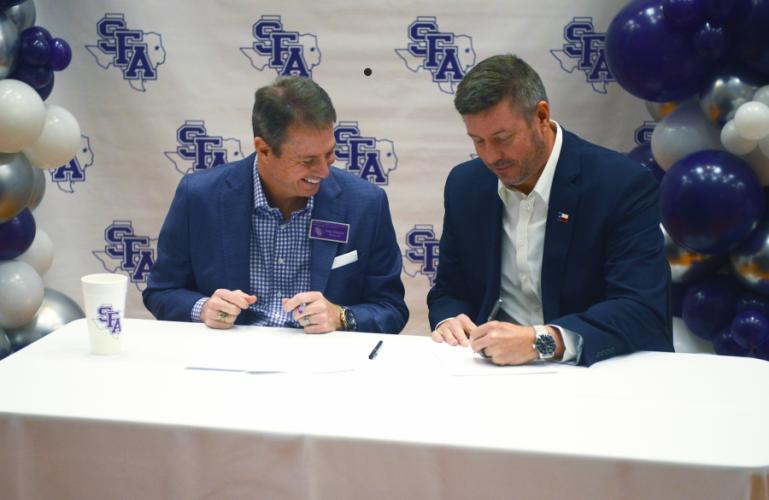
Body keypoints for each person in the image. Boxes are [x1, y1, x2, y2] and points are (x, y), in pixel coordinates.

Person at [427, 54, 672, 366]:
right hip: (492, 371)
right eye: (478, 141)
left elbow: (639, 308)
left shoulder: (620, 184)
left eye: (503, 139)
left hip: (594, 369)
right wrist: (450, 320)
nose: (491, 156)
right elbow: (449, 289)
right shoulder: (466, 185)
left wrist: (542, 341)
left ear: (541, 116)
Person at [143, 76, 408, 334]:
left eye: (329, 154)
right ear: (264, 150)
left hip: (323, 362)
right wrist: (203, 309)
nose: (323, 172)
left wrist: (341, 316)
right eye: (307, 161)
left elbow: (391, 308)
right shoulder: (200, 197)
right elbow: (161, 291)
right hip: (228, 360)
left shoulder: (364, 204)